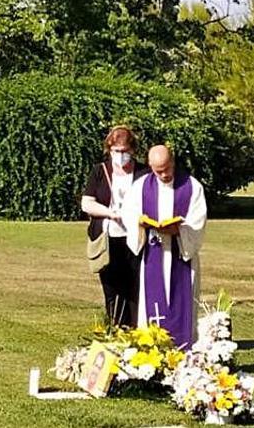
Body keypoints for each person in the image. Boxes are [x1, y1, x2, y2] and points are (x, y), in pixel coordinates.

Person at [120, 145, 207, 348]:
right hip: (153, 253)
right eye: (159, 170)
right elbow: (129, 214)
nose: (165, 174)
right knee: (152, 311)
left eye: (167, 168)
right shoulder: (141, 187)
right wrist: (140, 224)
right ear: (150, 166)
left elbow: (198, 222)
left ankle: (186, 358)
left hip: (181, 256)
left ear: (173, 162)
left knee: (183, 307)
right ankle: (151, 357)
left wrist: (179, 230)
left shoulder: (192, 187)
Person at [81, 126, 150, 327]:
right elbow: (87, 203)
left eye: (123, 151)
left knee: (135, 287)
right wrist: (110, 213)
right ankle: (116, 328)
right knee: (112, 288)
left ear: (132, 150)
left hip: (136, 238)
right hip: (108, 238)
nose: (119, 156)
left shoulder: (143, 173)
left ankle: (137, 330)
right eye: (115, 151)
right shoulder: (99, 171)